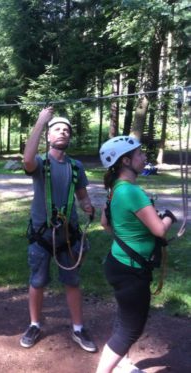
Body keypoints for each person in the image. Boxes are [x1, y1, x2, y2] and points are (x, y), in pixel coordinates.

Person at [96, 136, 177, 373]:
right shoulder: (132, 192)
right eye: (140, 154)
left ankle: (120, 364)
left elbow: (105, 223)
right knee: (130, 328)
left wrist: (131, 235)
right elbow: (160, 230)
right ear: (126, 160)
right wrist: (170, 216)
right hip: (131, 271)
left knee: (125, 319)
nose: (144, 158)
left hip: (118, 264)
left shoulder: (115, 189)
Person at [20, 107, 97, 352]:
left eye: (66, 130)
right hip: (42, 235)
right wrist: (41, 121)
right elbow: (27, 160)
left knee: (72, 280)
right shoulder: (42, 164)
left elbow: (82, 196)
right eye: (57, 130)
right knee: (38, 281)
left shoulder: (76, 167)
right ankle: (34, 324)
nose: (62, 132)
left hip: (68, 234)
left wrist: (87, 206)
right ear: (48, 137)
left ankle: (78, 328)